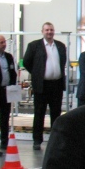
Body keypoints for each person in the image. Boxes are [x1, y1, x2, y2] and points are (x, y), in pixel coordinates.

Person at [22, 22, 67, 151]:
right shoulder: (34, 46)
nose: (49, 32)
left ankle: (55, 139)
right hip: (41, 85)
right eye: (47, 30)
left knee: (56, 113)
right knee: (39, 113)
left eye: (51, 30)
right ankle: (37, 140)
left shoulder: (60, 46)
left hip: (56, 85)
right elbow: (26, 62)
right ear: (42, 31)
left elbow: (62, 62)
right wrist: (37, 73)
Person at [0, 34, 17, 151]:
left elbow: (12, 72)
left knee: (5, 117)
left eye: (4, 42)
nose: (4, 45)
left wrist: (13, 86)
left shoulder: (8, 56)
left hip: (6, 91)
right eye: (1, 43)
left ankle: (4, 141)